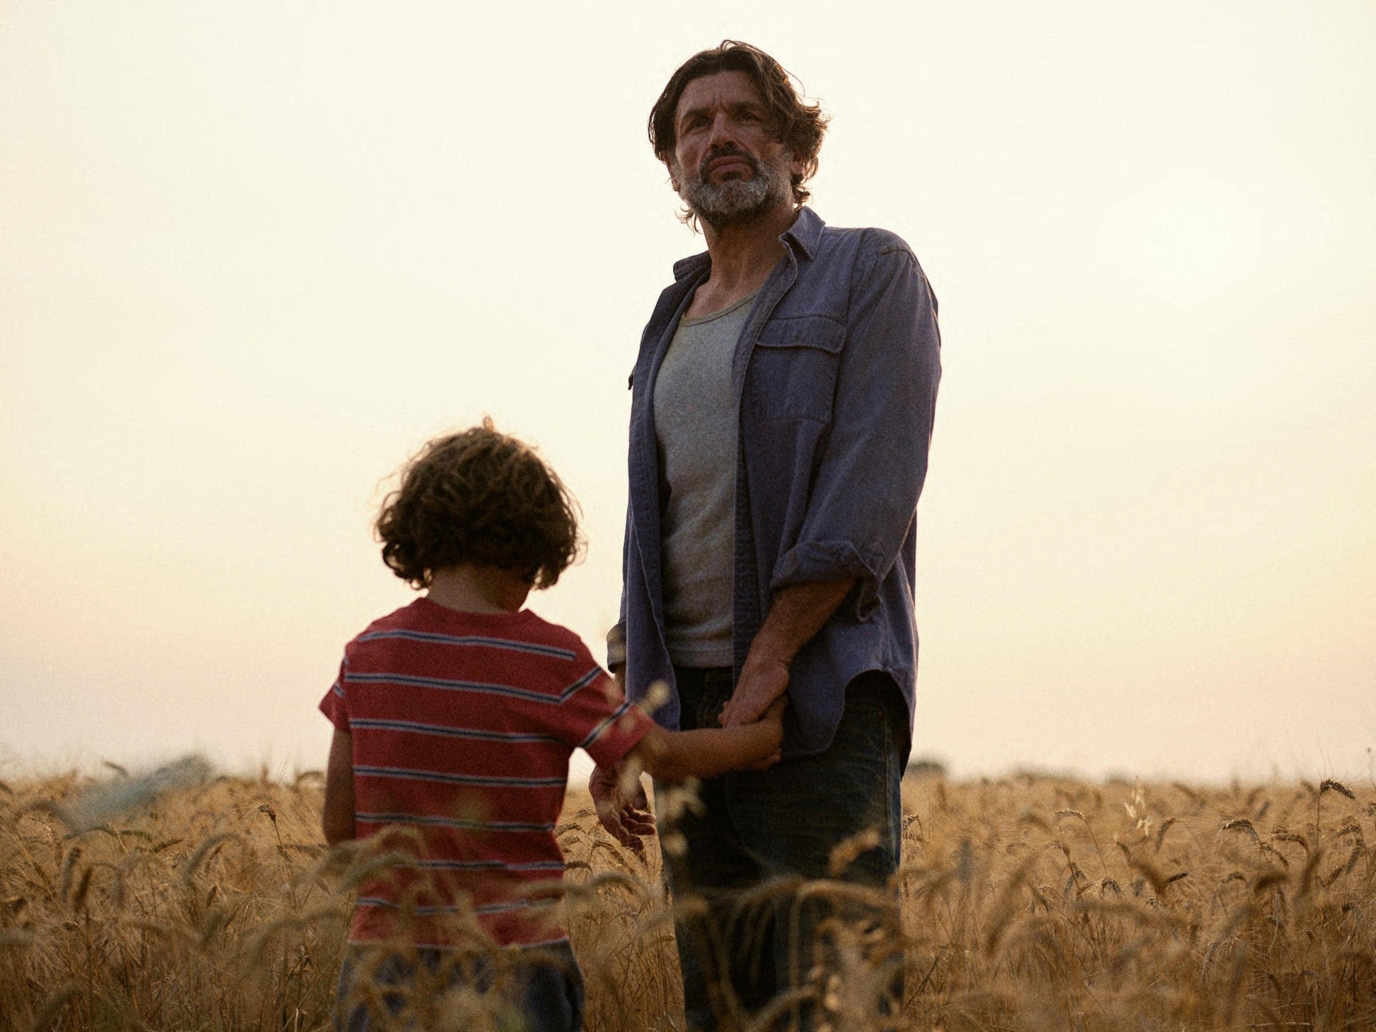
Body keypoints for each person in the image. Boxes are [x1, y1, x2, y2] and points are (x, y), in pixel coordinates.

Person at [589, 41, 942, 1030]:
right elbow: (648, 531)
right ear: (671, 166)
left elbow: (872, 483)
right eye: (694, 125)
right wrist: (626, 715)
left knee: (833, 1002)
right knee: (723, 1006)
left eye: (743, 116)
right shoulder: (667, 319)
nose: (719, 136)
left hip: (815, 702)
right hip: (685, 716)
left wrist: (775, 651)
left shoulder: (869, 272)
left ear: (793, 147)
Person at [320, 419, 785, 1032]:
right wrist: (767, 734)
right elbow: (663, 754)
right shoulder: (551, 657)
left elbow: (339, 829)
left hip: (384, 961)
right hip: (518, 961)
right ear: (534, 546)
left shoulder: (366, 655)